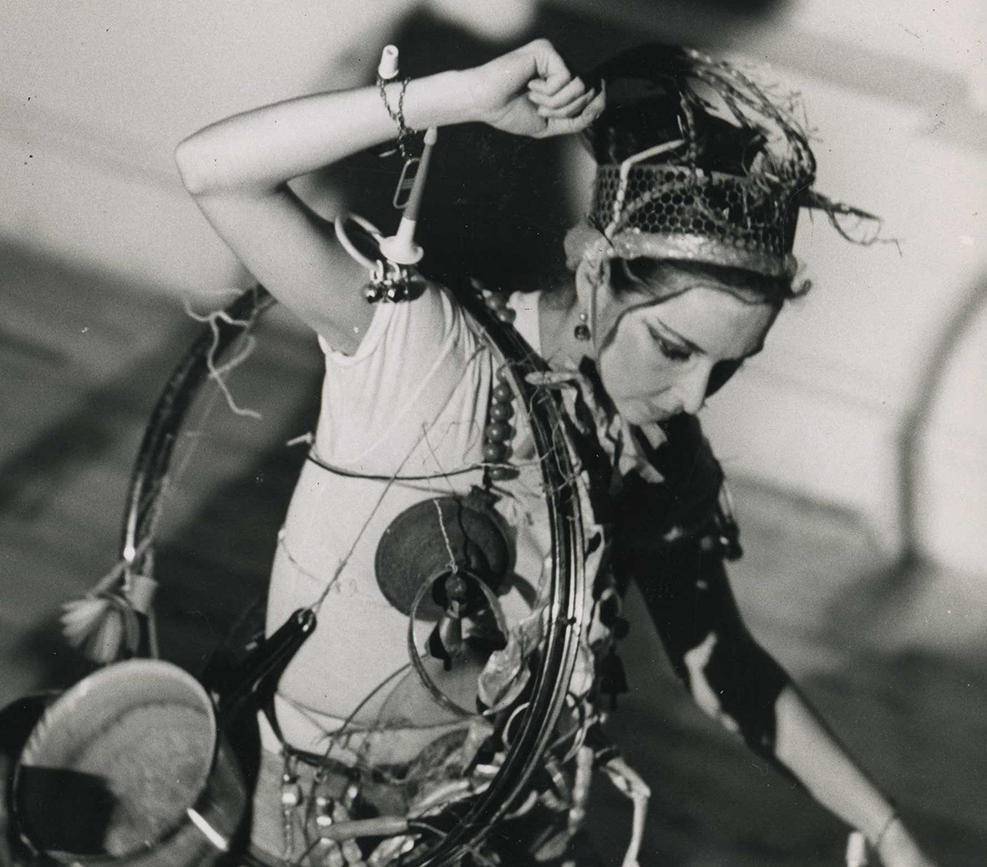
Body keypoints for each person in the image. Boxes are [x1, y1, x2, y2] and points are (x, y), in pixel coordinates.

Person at [175, 39, 939, 867]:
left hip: (483, 833)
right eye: (676, 347)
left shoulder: (649, 452)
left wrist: (891, 832)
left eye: (730, 367)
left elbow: (724, 666)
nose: (694, 398)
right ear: (598, 271)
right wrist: (457, 96)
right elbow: (213, 170)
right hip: (285, 839)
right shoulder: (429, 350)